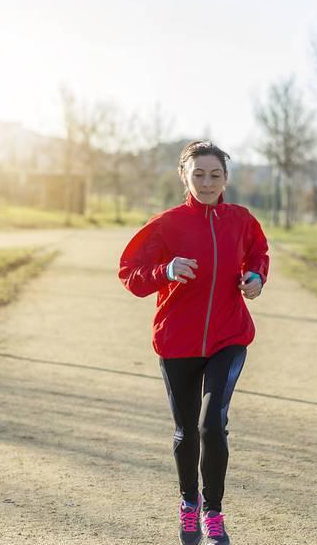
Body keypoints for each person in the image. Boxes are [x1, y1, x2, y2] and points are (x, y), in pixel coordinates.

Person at [118, 140, 269, 545]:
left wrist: (255, 278)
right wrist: (165, 269)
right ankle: (189, 505)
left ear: (226, 178)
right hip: (177, 341)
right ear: (184, 176)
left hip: (229, 336)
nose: (207, 182)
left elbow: (257, 253)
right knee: (186, 431)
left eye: (215, 175)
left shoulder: (241, 219)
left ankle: (213, 513)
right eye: (198, 174)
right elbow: (130, 273)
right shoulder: (166, 224)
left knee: (211, 426)